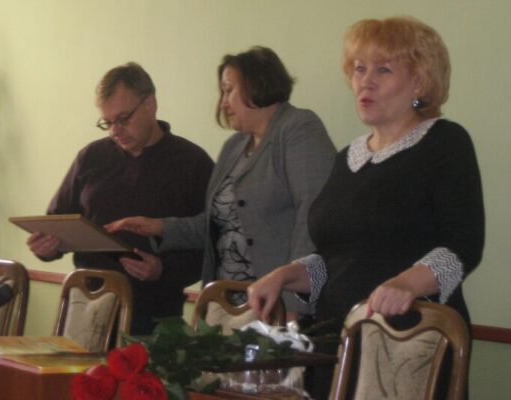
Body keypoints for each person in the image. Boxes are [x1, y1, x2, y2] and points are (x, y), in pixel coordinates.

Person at [247, 17, 484, 399]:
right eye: (359, 69)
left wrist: (406, 284)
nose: (365, 82)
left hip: (407, 344)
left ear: (419, 82)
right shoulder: (348, 157)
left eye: (383, 70)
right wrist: (285, 275)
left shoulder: (445, 142)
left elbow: (463, 247)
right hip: (336, 341)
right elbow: (338, 260)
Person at [106, 46, 336, 322]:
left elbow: (313, 216)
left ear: (257, 85)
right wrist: (160, 227)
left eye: (229, 91)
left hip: (278, 306)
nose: (223, 103)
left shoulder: (299, 128)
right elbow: (217, 224)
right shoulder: (234, 146)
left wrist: (294, 303)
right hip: (226, 303)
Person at [27, 62, 214, 335]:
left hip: (155, 315)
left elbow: (213, 242)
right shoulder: (91, 157)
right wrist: (47, 247)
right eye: (107, 122)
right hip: (86, 305)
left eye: (123, 119)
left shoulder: (192, 163)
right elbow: (58, 221)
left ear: (150, 104)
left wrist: (163, 270)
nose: (115, 131)